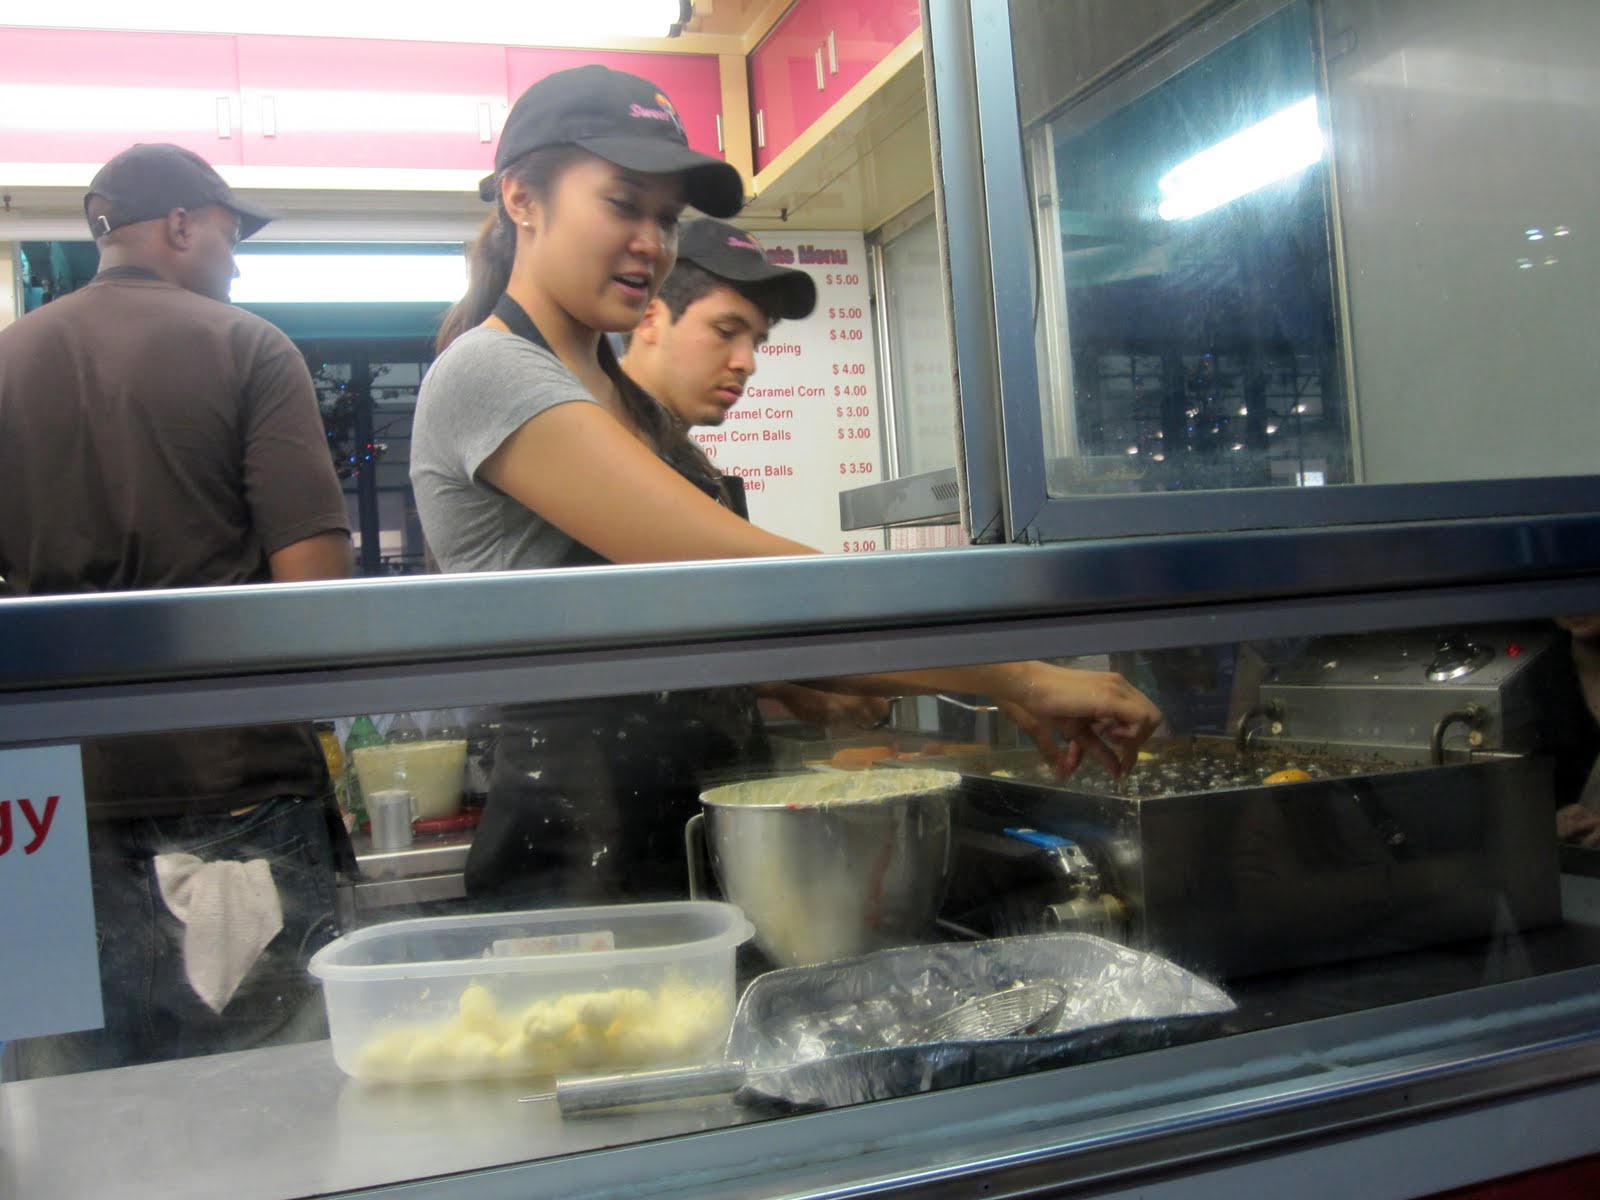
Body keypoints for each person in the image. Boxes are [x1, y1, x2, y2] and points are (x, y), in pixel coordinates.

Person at [409, 65, 1161, 903]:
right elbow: (743, 578)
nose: (652, 242)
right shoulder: (490, 372)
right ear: (522, 198)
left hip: (682, 843)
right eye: (623, 204)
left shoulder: (629, 407)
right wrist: (1015, 675)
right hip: (572, 871)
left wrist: (980, 678)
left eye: (667, 218)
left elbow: (743, 625)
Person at [0, 143, 354, 1077]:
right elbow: (315, 588)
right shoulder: (249, 347)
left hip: (47, 813)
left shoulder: (6, 362)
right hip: (234, 793)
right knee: (270, 1102)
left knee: (68, 1110)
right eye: (232, 238)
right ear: (182, 224)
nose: (236, 267)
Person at [618, 216, 888, 732]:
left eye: (757, 342)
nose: (747, 363)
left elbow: (690, 631)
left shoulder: (687, 461)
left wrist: (784, 684)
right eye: (726, 332)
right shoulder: (605, 453)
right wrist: (1007, 676)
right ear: (650, 319)